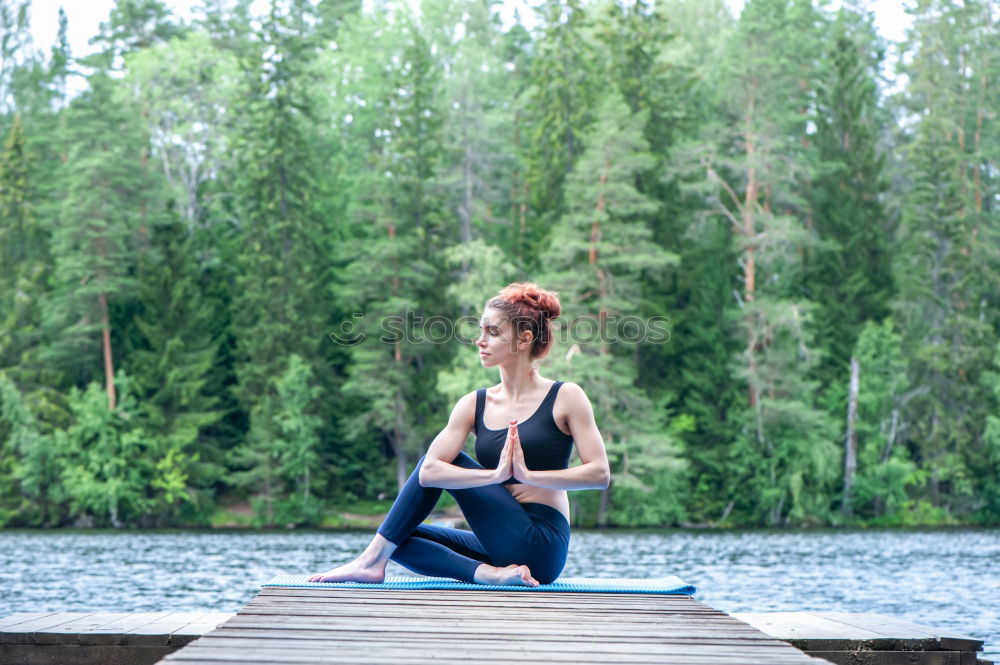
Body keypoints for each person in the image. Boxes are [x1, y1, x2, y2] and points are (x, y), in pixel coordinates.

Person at [309, 282, 610, 587]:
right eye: (481, 331)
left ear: (524, 339)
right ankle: (486, 574)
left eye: (493, 332)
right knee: (396, 537)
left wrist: (528, 475)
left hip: (541, 544)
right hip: (497, 545)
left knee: (443, 463)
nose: (480, 341)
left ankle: (369, 562)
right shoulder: (474, 403)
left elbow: (599, 474)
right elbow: (428, 475)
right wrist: (495, 476)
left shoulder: (566, 396)